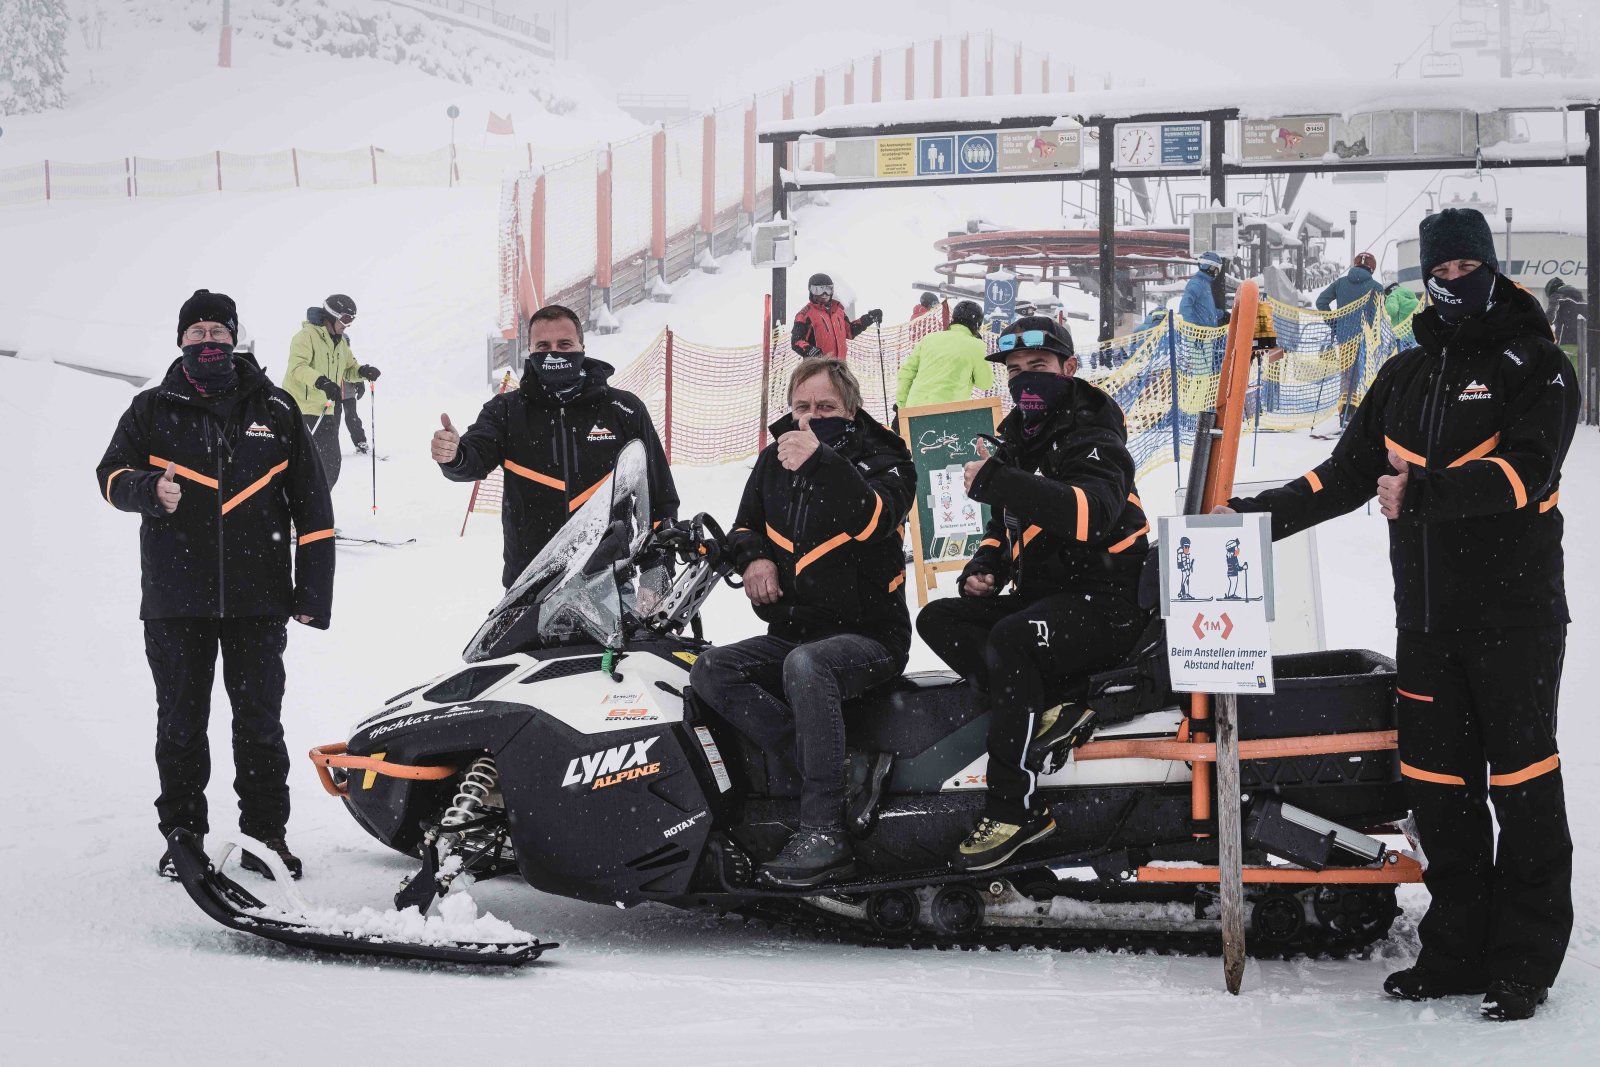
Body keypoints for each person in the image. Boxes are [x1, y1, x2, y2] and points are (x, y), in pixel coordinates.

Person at [1218, 208, 1578, 1021]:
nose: (1453, 286)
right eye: (1440, 274)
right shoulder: (1407, 375)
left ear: (1490, 269)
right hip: (1425, 621)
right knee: (1438, 787)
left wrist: (1424, 493)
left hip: (1515, 620)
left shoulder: (1540, 364)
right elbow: (1343, 476)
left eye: (1465, 271)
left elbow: (1524, 476)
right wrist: (1251, 518)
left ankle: (1523, 958)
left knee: (1520, 783)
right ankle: (1454, 947)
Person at [95, 289, 336, 881]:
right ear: (181, 341)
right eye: (197, 331)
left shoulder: (276, 409)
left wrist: (312, 594)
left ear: (235, 337)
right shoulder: (150, 409)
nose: (208, 341)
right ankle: (183, 833)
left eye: (217, 331)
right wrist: (148, 489)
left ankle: (264, 836)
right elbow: (110, 475)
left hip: (258, 600)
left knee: (259, 722)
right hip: (175, 601)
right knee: (180, 722)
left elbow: (313, 505)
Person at [916, 316, 1151, 871]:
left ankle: (1014, 807)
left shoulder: (1093, 435)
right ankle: (1052, 702)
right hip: (1051, 602)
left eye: (1039, 368)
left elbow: (1091, 515)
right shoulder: (1022, 438)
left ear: (1070, 369)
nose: (1026, 382)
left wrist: (999, 479)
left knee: (1011, 639)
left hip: (1108, 606)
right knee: (941, 619)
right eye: (1015, 372)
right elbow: (1008, 525)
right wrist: (986, 564)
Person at [690, 359, 914, 888]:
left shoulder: (886, 455)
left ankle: (825, 830)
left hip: (870, 636)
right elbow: (745, 525)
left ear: (852, 410)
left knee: (807, 665)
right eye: (802, 408)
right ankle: (833, 774)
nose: (812, 418)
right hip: (793, 631)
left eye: (826, 408)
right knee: (711, 671)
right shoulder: (775, 457)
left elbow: (877, 518)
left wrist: (822, 462)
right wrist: (753, 558)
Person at [432, 304, 679, 589]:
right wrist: (454, 455)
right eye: (543, 345)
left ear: (581, 346)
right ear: (530, 352)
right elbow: (473, 458)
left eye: (564, 344)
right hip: (529, 586)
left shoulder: (623, 409)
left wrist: (655, 574)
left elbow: (660, 499)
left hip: (607, 581)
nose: (554, 353)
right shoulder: (507, 411)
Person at [282, 294, 381, 488]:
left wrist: (362, 372)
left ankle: (317, 505)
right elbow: (297, 368)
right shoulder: (306, 336)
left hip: (326, 410)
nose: (348, 324)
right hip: (300, 410)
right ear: (332, 315)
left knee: (330, 464)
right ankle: (290, 508)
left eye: (351, 320)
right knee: (299, 464)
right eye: (345, 319)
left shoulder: (341, 342)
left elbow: (349, 368)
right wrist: (322, 382)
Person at [1317, 254, 1385, 429]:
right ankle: (1359, 413)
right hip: (1367, 339)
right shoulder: (1376, 287)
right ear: (1372, 269)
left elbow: (1321, 301)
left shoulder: (1340, 283)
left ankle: (1346, 412)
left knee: (1348, 375)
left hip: (1344, 337)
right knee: (1367, 374)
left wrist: (1334, 324)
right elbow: (1382, 315)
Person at [894, 299, 992, 411]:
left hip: (916, 410)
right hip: (949, 415)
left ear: (953, 319)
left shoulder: (929, 339)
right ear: (977, 325)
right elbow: (985, 383)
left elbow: (906, 373)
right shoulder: (976, 346)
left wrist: (903, 405)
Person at [791, 272, 880, 359]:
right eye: (819, 290)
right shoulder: (805, 314)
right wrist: (809, 350)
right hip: (818, 368)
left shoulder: (838, 310)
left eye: (828, 289)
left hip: (839, 366)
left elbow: (850, 332)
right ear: (811, 291)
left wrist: (869, 318)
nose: (824, 294)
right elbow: (797, 341)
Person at [1178, 251, 1227, 328]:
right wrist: (1193, 326)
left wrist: (1223, 315)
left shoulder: (1205, 284)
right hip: (1198, 336)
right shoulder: (1197, 283)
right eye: (1217, 269)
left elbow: (1206, 312)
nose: (1217, 273)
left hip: (1207, 335)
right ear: (1210, 267)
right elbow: (1184, 306)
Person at [1545, 277, 1584, 353]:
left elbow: (1550, 317)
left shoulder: (1557, 296)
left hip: (1565, 341)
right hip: (1583, 342)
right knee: (1578, 364)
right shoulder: (1581, 300)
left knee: (1563, 364)